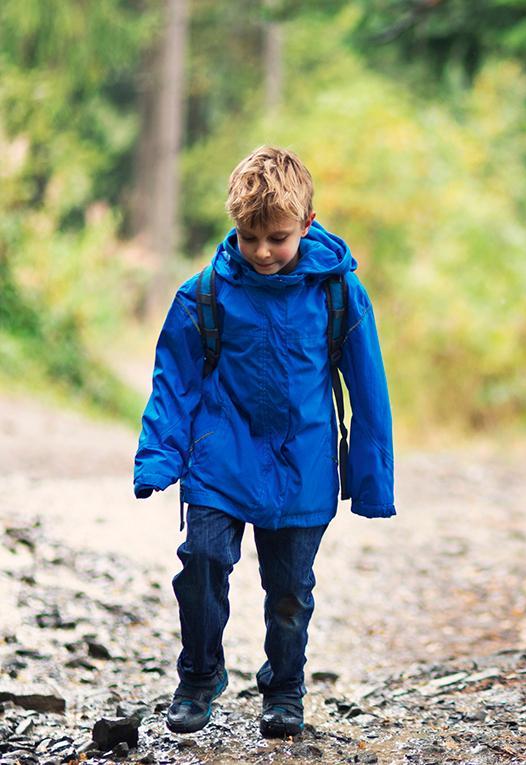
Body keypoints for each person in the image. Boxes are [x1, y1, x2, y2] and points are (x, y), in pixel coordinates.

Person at [133, 146, 395, 738]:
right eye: (249, 237)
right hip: (220, 457)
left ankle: (283, 689)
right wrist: (158, 457)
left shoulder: (338, 295)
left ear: (306, 224)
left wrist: (372, 481)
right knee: (200, 562)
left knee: (290, 593)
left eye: (276, 237)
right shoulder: (203, 294)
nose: (261, 252)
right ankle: (199, 676)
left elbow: (367, 390)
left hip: (302, 462)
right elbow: (173, 383)